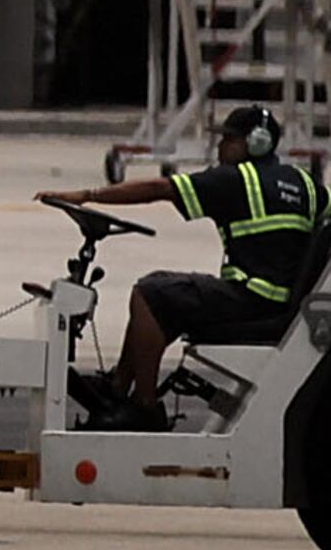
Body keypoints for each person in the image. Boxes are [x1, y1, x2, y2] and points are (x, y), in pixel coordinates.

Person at [36, 105, 321, 427]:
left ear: (256, 142)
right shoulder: (306, 183)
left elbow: (161, 189)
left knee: (150, 293)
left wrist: (86, 196)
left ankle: (144, 408)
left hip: (254, 299)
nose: (219, 147)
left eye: (227, 139)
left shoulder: (238, 178)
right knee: (168, 303)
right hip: (283, 302)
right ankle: (117, 387)